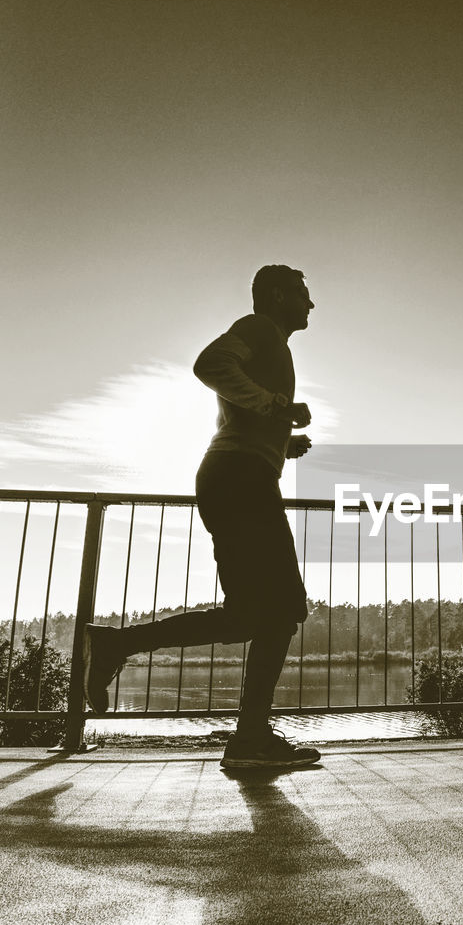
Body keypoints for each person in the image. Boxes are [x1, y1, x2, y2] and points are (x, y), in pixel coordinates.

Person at [84, 264, 321, 770]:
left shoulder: (272, 340)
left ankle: (117, 645)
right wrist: (276, 404)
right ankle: (250, 738)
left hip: (236, 476)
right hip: (239, 479)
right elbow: (209, 364)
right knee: (281, 610)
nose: (311, 304)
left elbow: (241, 415)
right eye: (303, 294)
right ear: (277, 295)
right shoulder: (259, 329)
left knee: (252, 616)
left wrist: (281, 437)